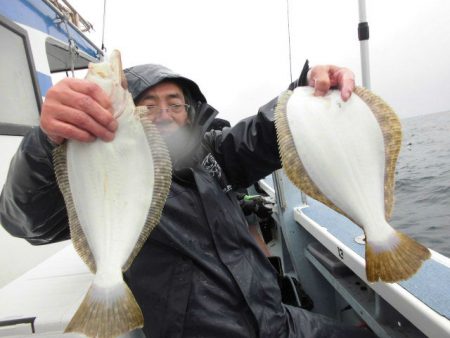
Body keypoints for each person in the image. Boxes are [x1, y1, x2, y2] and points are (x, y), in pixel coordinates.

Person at [0, 60, 372, 338]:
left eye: (175, 104)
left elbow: (263, 134)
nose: (164, 114)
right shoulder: (112, 176)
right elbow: (27, 221)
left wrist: (307, 90)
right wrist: (43, 141)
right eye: (149, 105)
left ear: (189, 112)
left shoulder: (213, 157)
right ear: (128, 115)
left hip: (276, 322)